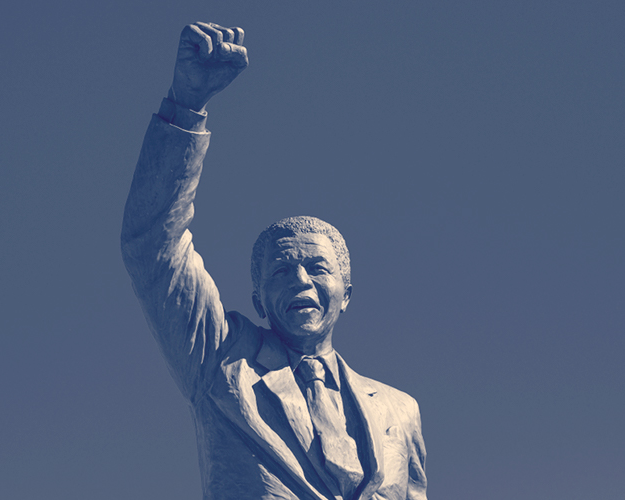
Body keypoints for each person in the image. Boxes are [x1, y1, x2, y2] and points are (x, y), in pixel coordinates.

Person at [121, 22, 427, 500]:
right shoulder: (220, 360)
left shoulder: (399, 410)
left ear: (346, 295)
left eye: (317, 268)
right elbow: (153, 247)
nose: (300, 280)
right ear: (260, 299)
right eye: (281, 271)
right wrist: (186, 106)